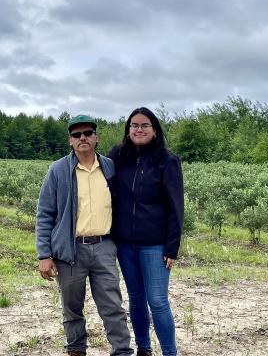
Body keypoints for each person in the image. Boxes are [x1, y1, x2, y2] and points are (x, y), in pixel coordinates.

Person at [36, 114, 133, 356]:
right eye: (77, 135)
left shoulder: (109, 167)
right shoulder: (58, 170)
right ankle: (76, 350)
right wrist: (44, 255)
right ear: (70, 141)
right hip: (70, 250)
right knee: (72, 308)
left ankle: (121, 351)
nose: (83, 138)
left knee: (112, 306)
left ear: (96, 138)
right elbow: (45, 214)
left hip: (104, 247)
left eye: (88, 133)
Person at [108, 107, 184, 356]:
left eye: (144, 125)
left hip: (155, 245)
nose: (139, 129)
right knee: (136, 299)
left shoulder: (167, 160)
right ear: (128, 131)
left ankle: (170, 353)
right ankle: (143, 348)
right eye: (134, 125)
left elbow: (175, 206)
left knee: (158, 302)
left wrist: (172, 246)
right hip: (125, 245)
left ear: (154, 130)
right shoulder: (118, 157)